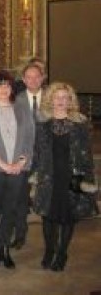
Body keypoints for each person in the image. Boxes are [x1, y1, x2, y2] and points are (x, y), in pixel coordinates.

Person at [32, 82, 98, 272]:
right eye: (57, 97)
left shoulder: (80, 122)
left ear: (70, 101)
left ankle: (62, 253)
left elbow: (86, 153)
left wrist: (87, 179)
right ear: (50, 99)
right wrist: (32, 171)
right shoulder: (42, 121)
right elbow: (36, 150)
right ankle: (49, 251)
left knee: (68, 216)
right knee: (48, 216)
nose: (61, 101)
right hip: (48, 176)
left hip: (72, 176)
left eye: (65, 97)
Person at [0, 70, 34, 270]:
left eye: (7, 85)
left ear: (12, 88)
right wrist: (2, 164)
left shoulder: (22, 109)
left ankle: (5, 248)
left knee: (10, 209)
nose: (3, 89)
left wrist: (20, 162)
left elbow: (29, 137)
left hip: (18, 168)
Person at [11, 61, 46, 249]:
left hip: (47, 156)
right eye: (29, 77)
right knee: (20, 197)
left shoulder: (51, 98)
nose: (33, 80)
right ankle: (20, 234)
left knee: (49, 197)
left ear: (42, 78)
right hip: (23, 155)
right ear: (23, 80)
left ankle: (51, 239)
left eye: (36, 76)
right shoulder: (16, 100)